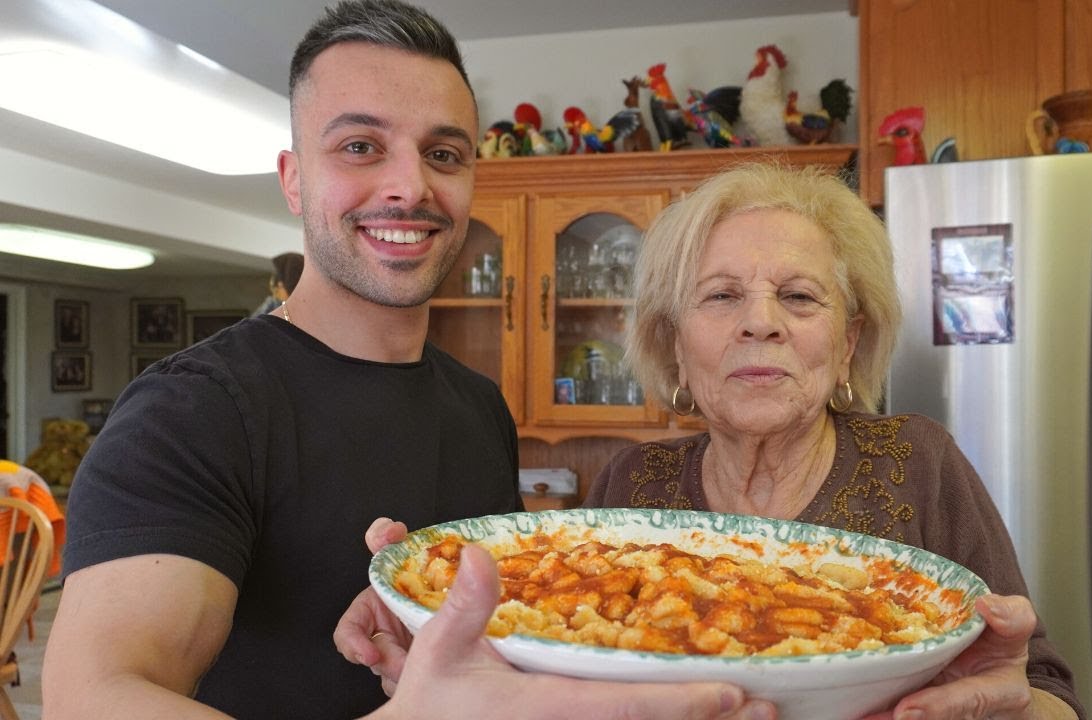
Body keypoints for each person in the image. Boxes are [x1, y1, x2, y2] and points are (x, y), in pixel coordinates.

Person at [42, 3, 771, 720]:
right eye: (360, 146)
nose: (411, 186)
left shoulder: (478, 404)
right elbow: (93, 697)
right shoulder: (193, 409)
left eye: (443, 154)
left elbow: (489, 635)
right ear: (294, 178)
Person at [339, 164, 1084, 719]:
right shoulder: (632, 482)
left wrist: (1002, 706)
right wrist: (441, 654)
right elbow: (568, 678)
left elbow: (1047, 694)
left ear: (850, 339)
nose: (761, 322)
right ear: (674, 344)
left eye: (799, 296)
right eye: (722, 295)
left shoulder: (919, 462)